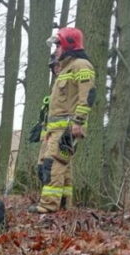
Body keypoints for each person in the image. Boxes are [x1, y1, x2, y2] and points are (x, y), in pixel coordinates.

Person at [30, 27, 96, 214]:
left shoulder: (81, 66)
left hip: (67, 127)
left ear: (69, 44)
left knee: (54, 164)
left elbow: (88, 95)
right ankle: (63, 206)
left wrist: (78, 121)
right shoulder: (66, 69)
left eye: (58, 45)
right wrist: (45, 130)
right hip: (56, 128)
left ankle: (48, 206)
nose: (56, 49)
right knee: (61, 166)